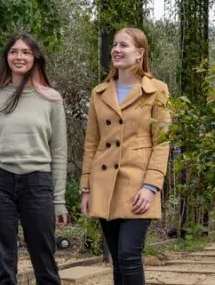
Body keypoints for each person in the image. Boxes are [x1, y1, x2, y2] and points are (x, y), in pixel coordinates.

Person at [0, 33, 69, 285]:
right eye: (14, 51)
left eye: (26, 52)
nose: (20, 56)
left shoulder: (52, 99)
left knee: (44, 260)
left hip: (38, 183)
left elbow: (59, 153)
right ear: (7, 57)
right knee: (2, 264)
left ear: (35, 57)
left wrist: (59, 201)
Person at [80, 27, 171, 285]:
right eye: (115, 45)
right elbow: (91, 143)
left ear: (140, 53)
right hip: (105, 183)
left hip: (138, 185)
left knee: (130, 254)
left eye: (124, 46)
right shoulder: (100, 92)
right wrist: (86, 188)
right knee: (118, 260)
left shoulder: (157, 90)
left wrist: (151, 186)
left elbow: (162, 141)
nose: (117, 50)